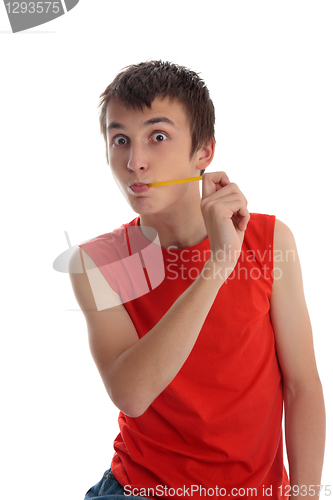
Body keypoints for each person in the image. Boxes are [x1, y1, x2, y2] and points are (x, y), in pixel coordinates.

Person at [69, 60, 325, 500]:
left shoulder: (269, 239)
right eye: (120, 140)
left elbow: (302, 385)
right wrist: (217, 267)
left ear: (204, 153)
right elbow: (131, 393)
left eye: (158, 137)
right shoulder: (98, 261)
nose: (135, 162)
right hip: (139, 491)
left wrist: (304, 497)